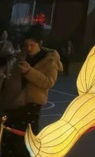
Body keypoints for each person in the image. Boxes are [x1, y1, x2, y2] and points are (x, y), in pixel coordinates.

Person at [0, 24, 62, 157]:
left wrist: (29, 71)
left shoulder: (50, 60)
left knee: (25, 144)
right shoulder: (20, 56)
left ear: (40, 43)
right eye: (26, 45)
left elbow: (48, 82)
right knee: (8, 141)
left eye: (32, 45)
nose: (28, 48)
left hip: (31, 106)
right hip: (13, 103)